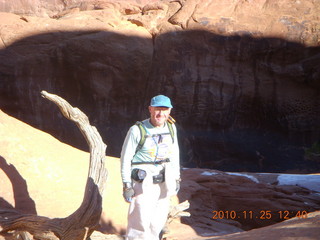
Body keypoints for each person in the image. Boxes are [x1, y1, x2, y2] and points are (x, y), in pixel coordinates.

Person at [120, 95, 181, 240]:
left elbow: (174, 154)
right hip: (143, 182)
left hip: (164, 181)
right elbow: (125, 158)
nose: (160, 114)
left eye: (164, 110)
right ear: (150, 109)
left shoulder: (171, 128)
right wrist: (127, 185)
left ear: (170, 110)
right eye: (157, 109)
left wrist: (177, 177)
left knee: (157, 222)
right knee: (139, 222)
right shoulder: (137, 130)